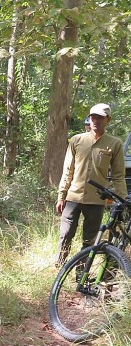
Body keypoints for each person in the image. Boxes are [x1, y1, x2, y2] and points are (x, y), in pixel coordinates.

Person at [55, 103, 127, 266]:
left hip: (96, 200)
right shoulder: (77, 140)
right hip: (73, 197)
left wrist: (121, 200)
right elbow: (68, 170)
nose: (96, 121)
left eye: (100, 118)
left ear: (108, 119)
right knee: (66, 234)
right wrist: (61, 196)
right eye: (93, 117)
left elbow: (118, 175)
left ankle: (81, 272)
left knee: (89, 240)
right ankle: (60, 266)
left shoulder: (114, 144)